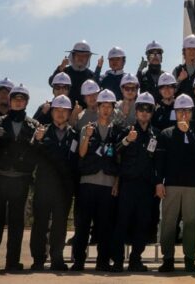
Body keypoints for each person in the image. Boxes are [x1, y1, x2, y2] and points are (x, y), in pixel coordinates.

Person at [0, 84, 38, 271]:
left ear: (27, 102)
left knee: (16, 223)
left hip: (20, 179)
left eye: (22, 99)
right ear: (10, 101)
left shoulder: (34, 126)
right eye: (15, 99)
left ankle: (12, 261)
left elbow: (37, 154)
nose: (18, 102)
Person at [73, 89, 124, 272]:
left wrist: (117, 183)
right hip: (88, 183)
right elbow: (81, 153)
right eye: (103, 106)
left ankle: (103, 261)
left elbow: (120, 160)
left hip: (108, 185)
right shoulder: (89, 127)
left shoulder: (117, 132)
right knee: (83, 226)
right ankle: (78, 261)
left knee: (105, 227)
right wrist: (86, 136)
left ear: (112, 109)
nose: (106, 109)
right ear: (98, 107)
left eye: (109, 106)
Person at [154, 94, 195, 272]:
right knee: (168, 222)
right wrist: (159, 182)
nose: (183, 114)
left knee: (191, 221)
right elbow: (159, 161)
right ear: (175, 112)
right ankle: (168, 258)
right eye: (180, 110)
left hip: (192, 185)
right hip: (171, 184)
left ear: (191, 112)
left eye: (187, 111)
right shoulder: (166, 134)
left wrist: (188, 133)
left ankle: (189, 258)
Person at [112, 91, 159, 272]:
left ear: (152, 112)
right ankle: (117, 261)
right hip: (127, 185)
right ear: (136, 111)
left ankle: (135, 260)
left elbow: (158, 162)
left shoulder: (156, 134)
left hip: (146, 188)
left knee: (142, 224)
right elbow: (115, 152)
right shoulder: (126, 130)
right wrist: (126, 141)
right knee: (122, 223)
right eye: (141, 109)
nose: (144, 112)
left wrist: (157, 183)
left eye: (148, 109)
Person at [30, 95, 78, 271]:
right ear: (51, 112)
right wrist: (37, 140)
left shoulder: (74, 135)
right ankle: (38, 259)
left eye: (64, 110)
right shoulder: (42, 131)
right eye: (57, 110)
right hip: (43, 185)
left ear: (69, 113)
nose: (60, 113)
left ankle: (57, 258)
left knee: (60, 223)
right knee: (40, 224)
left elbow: (76, 162)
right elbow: (32, 155)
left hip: (64, 188)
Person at [55, 41, 99, 105]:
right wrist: (60, 68)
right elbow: (51, 82)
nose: (80, 58)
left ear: (88, 58)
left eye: (84, 56)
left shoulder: (91, 75)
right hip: (64, 110)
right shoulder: (64, 71)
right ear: (73, 56)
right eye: (78, 55)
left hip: (84, 113)